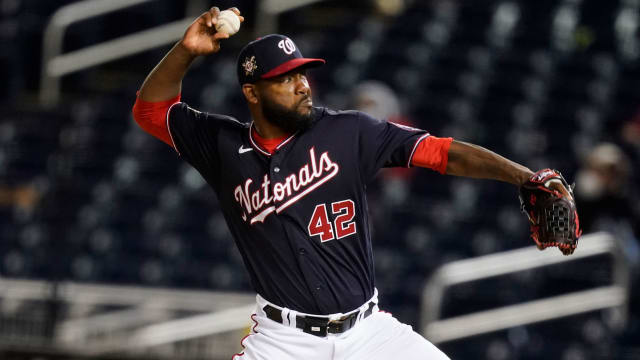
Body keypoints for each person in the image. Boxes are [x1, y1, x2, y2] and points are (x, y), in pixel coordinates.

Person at [132, 7, 571, 360]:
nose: (302, 85)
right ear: (253, 93)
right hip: (283, 342)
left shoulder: (348, 132)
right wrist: (186, 51)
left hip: (370, 334)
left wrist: (524, 176)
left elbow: (441, 152)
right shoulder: (222, 146)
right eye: (286, 79)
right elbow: (150, 111)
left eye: (302, 73)